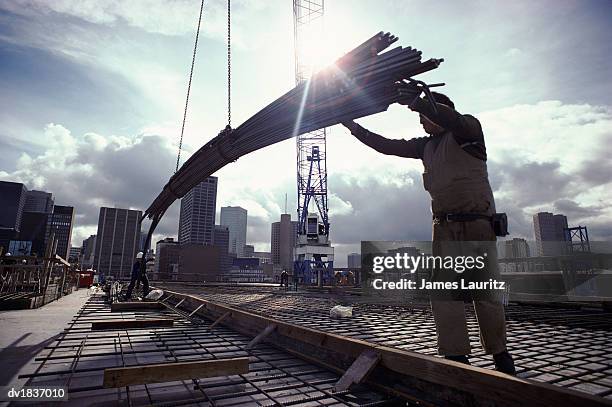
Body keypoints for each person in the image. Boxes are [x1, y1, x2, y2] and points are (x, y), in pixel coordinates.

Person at [342, 86, 516, 375]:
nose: (421, 122)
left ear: (441, 111)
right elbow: (387, 145)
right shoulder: (426, 146)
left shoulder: (468, 132)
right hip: (444, 228)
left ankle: (499, 353)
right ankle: (456, 354)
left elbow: (451, 119)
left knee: (484, 291)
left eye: (425, 116)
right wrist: (353, 127)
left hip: (476, 224)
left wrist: (415, 101)